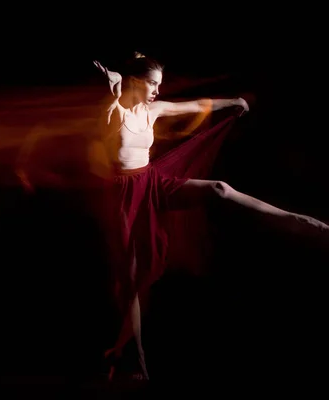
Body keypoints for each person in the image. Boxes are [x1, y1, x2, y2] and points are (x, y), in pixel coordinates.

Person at [93, 53, 329, 381]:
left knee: (219, 188)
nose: (158, 92)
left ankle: (300, 220)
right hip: (124, 195)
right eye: (153, 84)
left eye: (160, 85)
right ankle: (132, 356)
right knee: (133, 277)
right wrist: (114, 92)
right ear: (136, 81)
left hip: (152, 181)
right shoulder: (113, 112)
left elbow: (194, 105)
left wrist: (234, 101)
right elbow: (109, 113)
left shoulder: (153, 110)